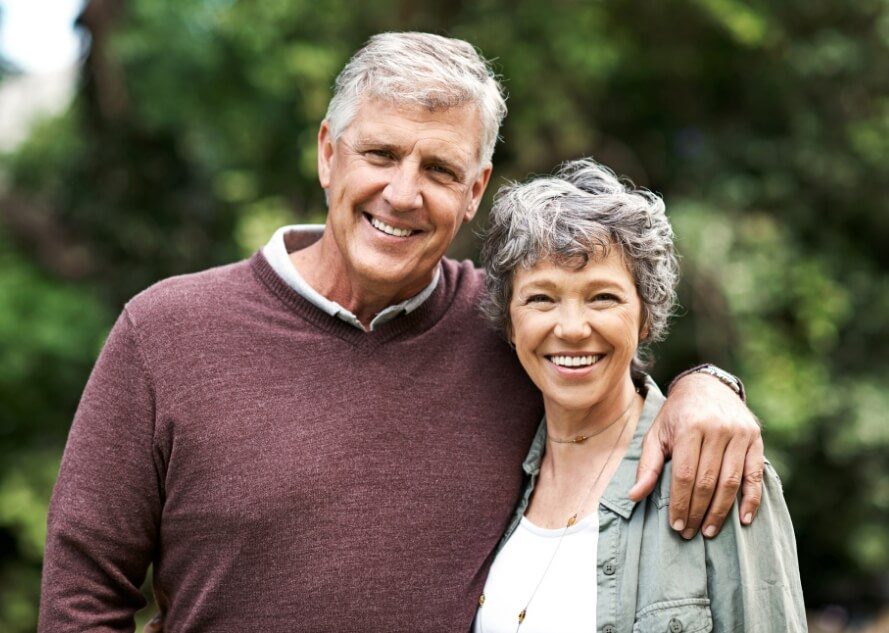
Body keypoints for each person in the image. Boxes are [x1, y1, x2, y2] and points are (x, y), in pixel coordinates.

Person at [39, 33, 764, 633]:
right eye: (380, 155)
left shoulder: (507, 328)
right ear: (329, 154)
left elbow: (614, 390)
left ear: (474, 190)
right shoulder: (165, 331)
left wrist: (704, 386)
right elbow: (82, 595)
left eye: (439, 168)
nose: (403, 193)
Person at [473, 158, 806, 632]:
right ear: (509, 322)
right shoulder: (491, 481)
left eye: (602, 297)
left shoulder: (712, 471)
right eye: (541, 298)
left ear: (646, 315)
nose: (570, 328)